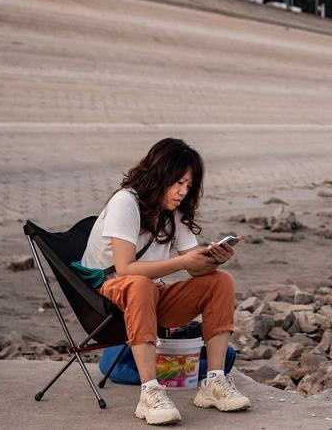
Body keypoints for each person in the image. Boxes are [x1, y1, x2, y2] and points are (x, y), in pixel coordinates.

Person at [80, 138, 249, 425]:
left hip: (150, 296)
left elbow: (194, 266)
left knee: (220, 281)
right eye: (179, 183)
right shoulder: (125, 202)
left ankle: (214, 383)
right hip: (106, 296)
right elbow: (124, 269)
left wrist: (213, 258)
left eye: (189, 186)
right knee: (140, 283)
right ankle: (150, 392)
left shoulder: (175, 211)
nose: (184, 192)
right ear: (161, 175)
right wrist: (183, 262)